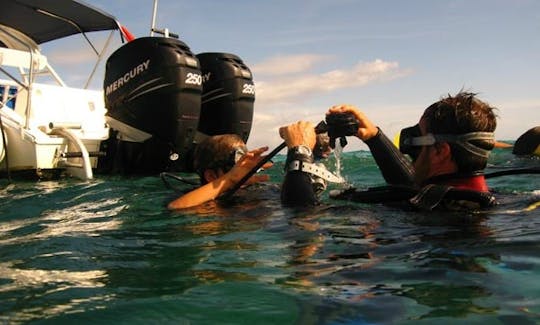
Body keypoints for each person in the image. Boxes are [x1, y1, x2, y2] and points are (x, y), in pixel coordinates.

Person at [279, 91, 500, 210]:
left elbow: (303, 221)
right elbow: (414, 190)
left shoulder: (442, 219)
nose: (409, 149)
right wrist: (374, 137)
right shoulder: (472, 201)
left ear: (441, 152)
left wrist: (299, 153)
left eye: (414, 139)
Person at [167, 134, 271, 209]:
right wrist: (229, 180)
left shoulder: (260, 190)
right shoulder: (207, 202)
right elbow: (175, 207)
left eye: (246, 165)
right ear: (211, 176)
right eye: (234, 168)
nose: (244, 173)